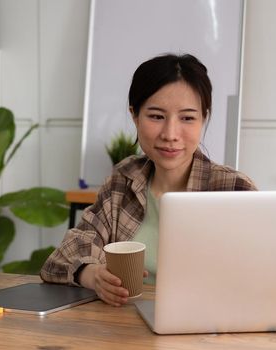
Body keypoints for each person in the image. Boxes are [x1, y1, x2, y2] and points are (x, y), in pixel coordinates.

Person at [40, 53, 257, 306]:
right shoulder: (123, 181)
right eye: (156, 116)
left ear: (204, 118)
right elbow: (62, 257)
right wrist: (92, 275)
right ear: (135, 115)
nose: (170, 134)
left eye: (187, 118)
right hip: (123, 331)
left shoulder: (234, 189)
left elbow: (265, 274)